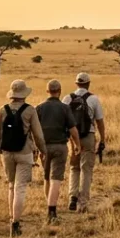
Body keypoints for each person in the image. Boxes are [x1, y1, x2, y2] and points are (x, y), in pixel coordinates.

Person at [0, 80, 47, 236]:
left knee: (11, 185)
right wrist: (43, 151)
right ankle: (15, 223)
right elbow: (38, 135)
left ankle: (11, 218)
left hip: (7, 153)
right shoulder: (30, 110)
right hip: (24, 152)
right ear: (24, 94)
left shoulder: (3, 110)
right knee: (20, 188)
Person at [35, 79, 80, 224]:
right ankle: (52, 211)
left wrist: (35, 149)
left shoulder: (39, 108)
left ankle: (49, 206)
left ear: (47, 91)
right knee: (56, 179)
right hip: (60, 146)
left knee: (47, 178)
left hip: (44, 148)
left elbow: (34, 131)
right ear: (59, 91)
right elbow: (73, 129)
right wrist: (77, 144)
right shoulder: (64, 108)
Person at [68, 72, 106, 213]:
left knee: (74, 167)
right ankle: (82, 203)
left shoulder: (67, 98)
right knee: (86, 169)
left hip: (72, 138)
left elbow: (64, 121)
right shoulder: (93, 99)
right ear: (88, 84)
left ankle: (72, 196)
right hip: (88, 136)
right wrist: (102, 139)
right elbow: (99, 121)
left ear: (76, 83)